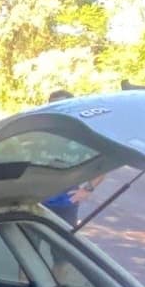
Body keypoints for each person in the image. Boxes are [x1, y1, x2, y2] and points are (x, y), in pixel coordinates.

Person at [42, 89, 105, 226]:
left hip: (66, 204)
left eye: (63, 105)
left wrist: (86, 190)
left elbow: (101, 166)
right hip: (35, 203)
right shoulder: (40, 131)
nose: (59, 110)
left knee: (62, 244)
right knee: (27, 244)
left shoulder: (83, 137)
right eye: (53, 106)